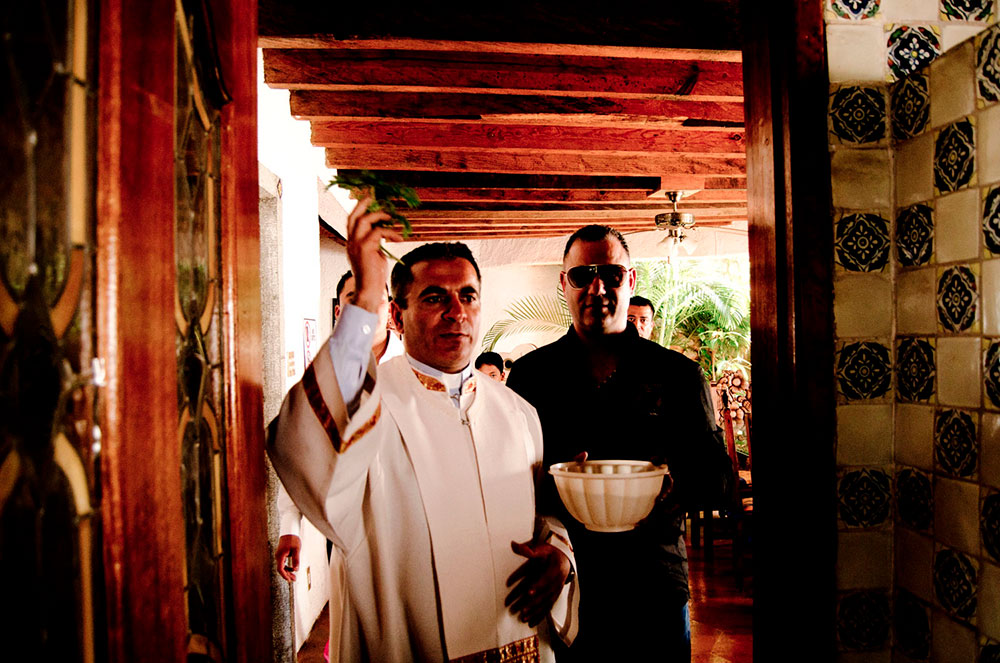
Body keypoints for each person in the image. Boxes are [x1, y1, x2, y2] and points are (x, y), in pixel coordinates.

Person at [268, 196, 578, 662]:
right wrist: (364, 299)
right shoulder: (366, 406)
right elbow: (301, 443)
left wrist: (560, 556)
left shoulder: (517, 413)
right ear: (396, 315)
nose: (456, 311)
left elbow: (542, 515)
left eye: (468, 296)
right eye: (434, 297)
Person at [506, 225, 732, 662]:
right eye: (582, 275)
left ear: (630, 280)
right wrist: (555, 480)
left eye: (610, 274)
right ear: (564, 283)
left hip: (654, 582)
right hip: (564, 582)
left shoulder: (677, 375)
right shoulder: (532, 376)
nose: (597, 288)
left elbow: (719, 479)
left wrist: (674, 484)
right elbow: (510, 484)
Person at [275, 270, 403, 583]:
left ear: (390, 309)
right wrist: (290, 526)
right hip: (345, 526)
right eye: (354, 298)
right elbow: (302, 451)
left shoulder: (413, 370)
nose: (365, 307)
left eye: (375, 298)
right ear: (339, 310)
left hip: (407, 521)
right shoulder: (322, 378)